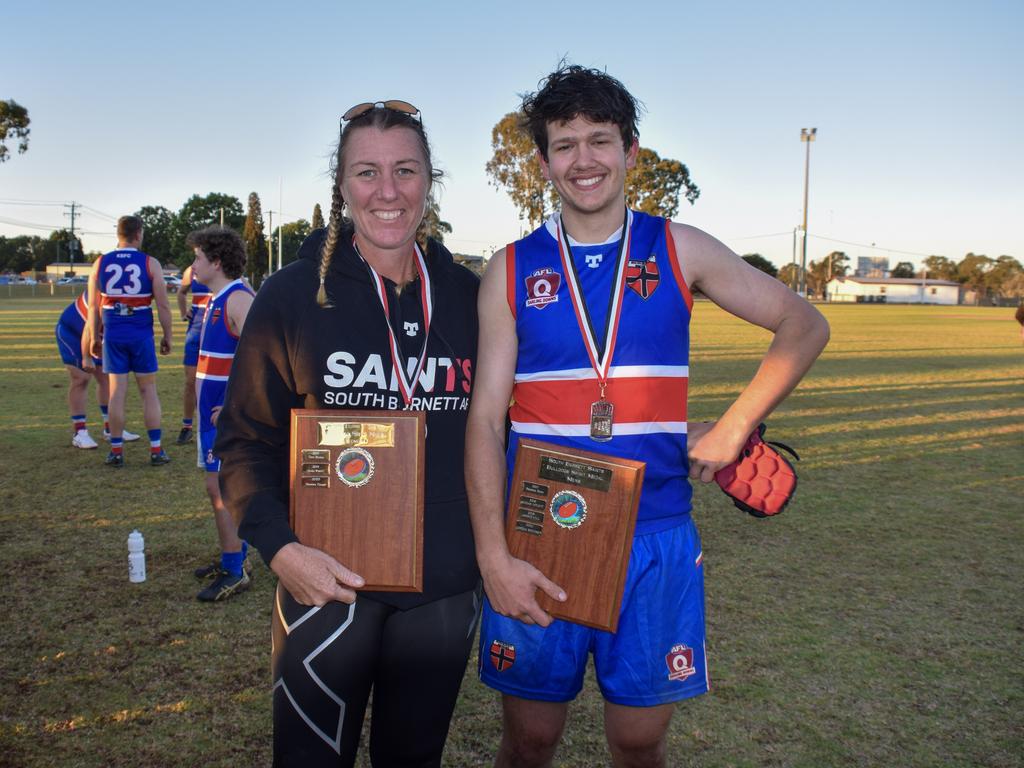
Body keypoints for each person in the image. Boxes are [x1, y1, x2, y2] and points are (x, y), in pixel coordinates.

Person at [465, 65, 830, 768]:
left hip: (654, 532)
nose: (583, 160)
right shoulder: (510, 269)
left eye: (600, 140)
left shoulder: (679, 247)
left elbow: (802, 323)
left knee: (638, 741)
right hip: (543, 532)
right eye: (564, 144)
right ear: (542, 161)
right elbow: (484, 422)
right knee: (532, 736)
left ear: (631, 151)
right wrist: (492, 555)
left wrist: (730, 429)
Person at [215, 101, 481, 767]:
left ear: (430, 181)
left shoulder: (472, 297)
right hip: (324, 583)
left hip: (442, 589)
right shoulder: (291, 295)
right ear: (340, 186)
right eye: (366, 172)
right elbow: (244, 440)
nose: (387, 192)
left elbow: (531, 413)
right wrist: (280, 552)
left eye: (405, 171)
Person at [184, 226, 255, 602]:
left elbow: (260, 356)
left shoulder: (238, 299)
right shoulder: (216, 298)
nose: (192, 264)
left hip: (223, 416)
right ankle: (234, 555)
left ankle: (234, 570)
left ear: (215, 261)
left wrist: (231, 403)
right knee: (216, 487)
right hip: (209, 413)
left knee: (220, 488)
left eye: (197, 257)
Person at [87, 214, 174, 467]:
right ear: (139, 234)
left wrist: (94, 336)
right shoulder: (150, 263)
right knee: (149, 392)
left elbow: (93, 306)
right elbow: (163, 306)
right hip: (141, 335)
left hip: (113, 334)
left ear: (118, 234)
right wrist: (167, 336)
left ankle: (116, 451)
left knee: (116, 393)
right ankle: (156, 450)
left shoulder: (100, 262)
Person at [56, 288, 140, 448]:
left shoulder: (128, 293)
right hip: (73, 332)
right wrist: (87, 357)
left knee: (107, 378)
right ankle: (79, 432)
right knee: (81, 378)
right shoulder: (103, 292)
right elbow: (91, 326)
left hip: (97, 334)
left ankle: (110, 428)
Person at [174, 263, 212, 446]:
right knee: (191, 380)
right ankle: (187, 426)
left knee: (215, 380)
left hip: (216, 326)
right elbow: (181, 292)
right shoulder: (192, 270)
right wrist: (183, 312)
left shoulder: (225, 266)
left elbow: (246, 291)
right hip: (196, 329)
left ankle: (214, 424)